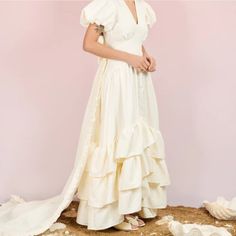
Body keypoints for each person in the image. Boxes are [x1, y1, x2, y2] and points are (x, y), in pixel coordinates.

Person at [0, 0, 171, 234]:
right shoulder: (107, 5)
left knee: (136, 138)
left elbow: (135, 41)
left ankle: (129, 206)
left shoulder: (143, 6)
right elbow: (89, 44)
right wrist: (128, 58)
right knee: (116, 135)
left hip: (138, 80)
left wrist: (147, 56)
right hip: (117, 77)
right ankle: (109, 211)